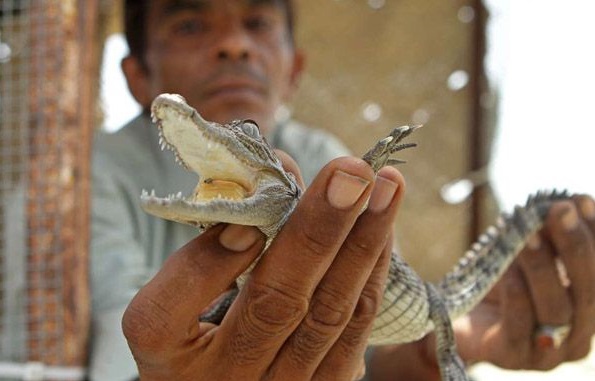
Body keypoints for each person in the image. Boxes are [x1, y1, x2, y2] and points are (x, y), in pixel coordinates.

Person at [90, 0, 595, 380]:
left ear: (294, 72)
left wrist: (448, 346)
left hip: (425, 307)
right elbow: (116, 336)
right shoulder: (89, 173)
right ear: (137, 76)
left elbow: (363, 334)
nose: (234, 45)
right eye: (190, 24)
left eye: (258, 23)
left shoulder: (321, 157)